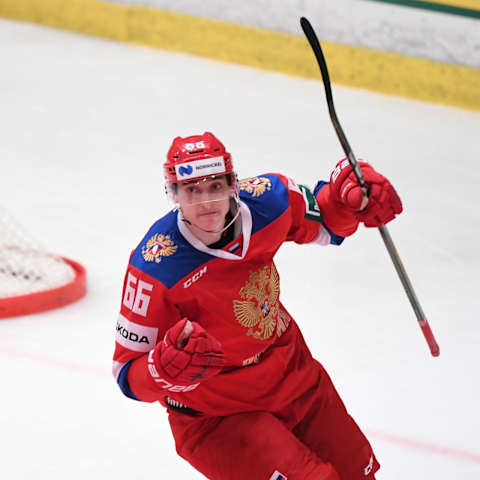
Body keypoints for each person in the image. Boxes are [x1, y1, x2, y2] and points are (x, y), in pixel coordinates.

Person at [112, 132, 402, 480]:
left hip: (297, 380)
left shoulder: (271, 201)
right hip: (219, 417)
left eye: (215, 185)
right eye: (192, 190)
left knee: (358, 474)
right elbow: (127, 372)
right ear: (173, 194)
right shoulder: (156, 266)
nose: (206, 202)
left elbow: (326, 222)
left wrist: (349, 199)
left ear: (233, 184)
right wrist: (163, 369)